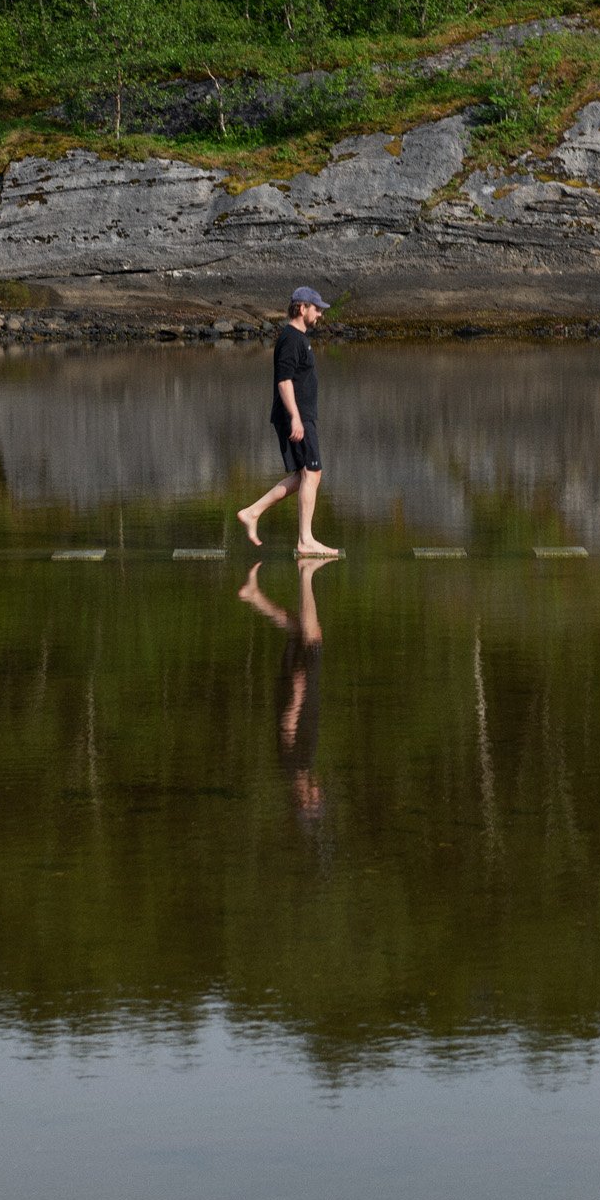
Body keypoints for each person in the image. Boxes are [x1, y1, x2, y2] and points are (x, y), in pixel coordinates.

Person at [236, 287, 337, 556]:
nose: (319, 315)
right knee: (312, 473)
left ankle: (252, 512)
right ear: (302, 308)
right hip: (297, 417)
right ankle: (305, 541)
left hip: (302, 416)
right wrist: (295, 418)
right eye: (316, 309)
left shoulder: (298, 338)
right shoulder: (291, 339)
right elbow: (284, 380)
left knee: (305, 475)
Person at [238, 560, 327, 829]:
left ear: (304, 798)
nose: (319, 794)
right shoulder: (300, 768)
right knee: (299, 630)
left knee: (311, 635)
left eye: (314, 799)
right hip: (303, 686)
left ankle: (306, 575)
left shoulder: (293, 767)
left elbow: (287, 726)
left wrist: (297, 693)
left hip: (300, 686)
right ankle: (255, 596)